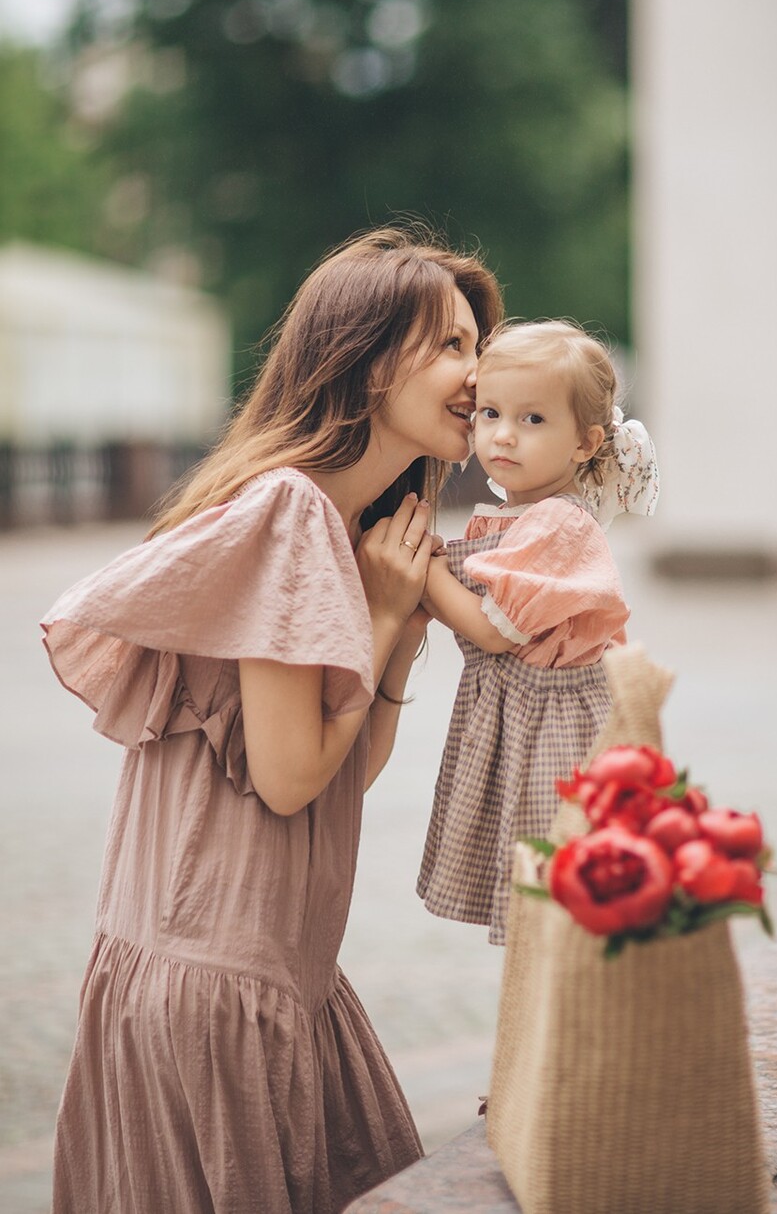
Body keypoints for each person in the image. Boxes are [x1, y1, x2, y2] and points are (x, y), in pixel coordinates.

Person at [41, 227, 503, 1214]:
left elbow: (346, 772)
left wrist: (399, 627)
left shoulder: (337, 527)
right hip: (221, 982)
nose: (479, 372)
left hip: (263, 971)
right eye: (452, 346)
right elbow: (293, 778)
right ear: (370, 365)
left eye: (479, 346)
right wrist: (383, 617)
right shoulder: (291, 510)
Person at [416, 320, 659, 945]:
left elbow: (496, 632)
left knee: (553, 893)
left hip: (556, 723)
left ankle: (567, 1023)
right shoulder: (527, 513)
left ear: (586, 442)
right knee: (536, 896)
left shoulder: (559, 523)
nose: (503, 435)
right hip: (521, 710)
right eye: (491, 412)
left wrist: (420, 574)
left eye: (533, 420)